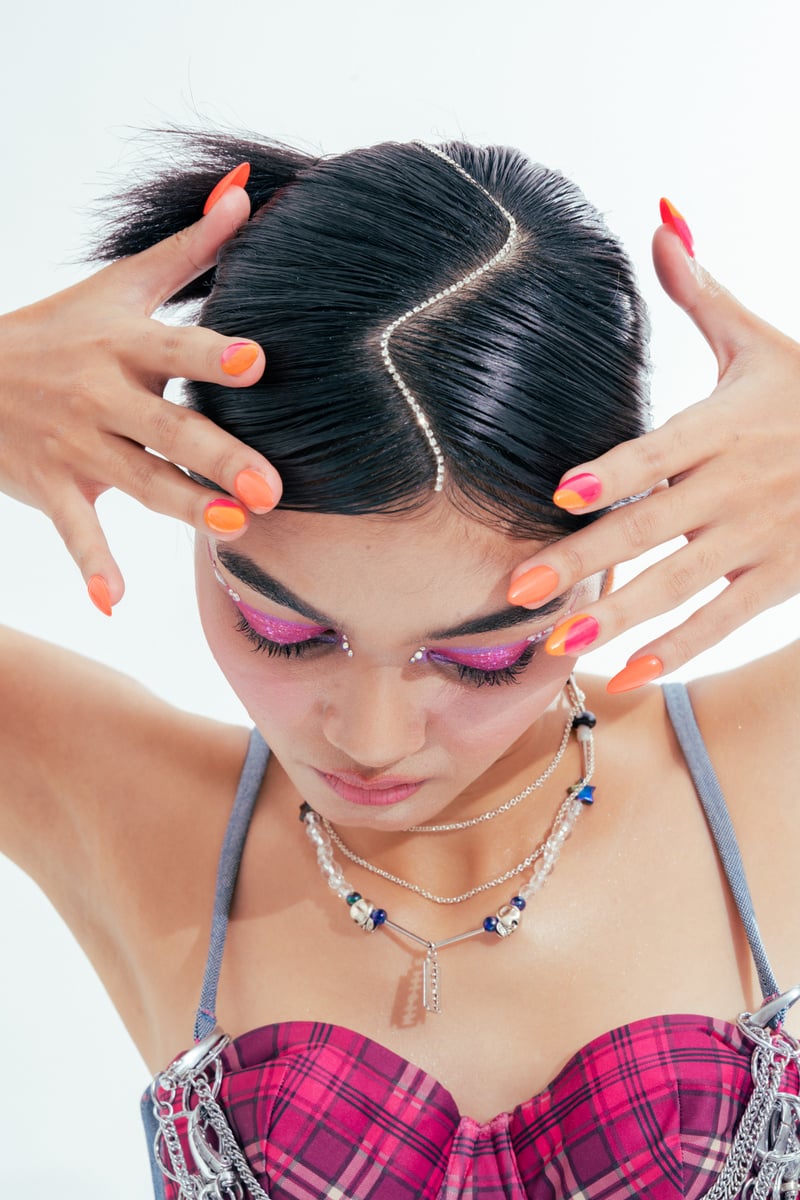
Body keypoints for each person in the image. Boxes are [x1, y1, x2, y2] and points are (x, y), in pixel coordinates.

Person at [2, 129, 799, 1199]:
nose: (370, 738)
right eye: (283, 631)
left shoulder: (764, 769)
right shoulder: (124, 804)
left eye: (483, 656)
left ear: (610, 559)